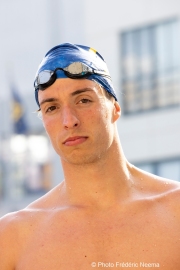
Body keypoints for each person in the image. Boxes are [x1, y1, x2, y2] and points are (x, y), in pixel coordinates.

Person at [0, 43, 180, 270]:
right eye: (52, 108)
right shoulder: (13, 238)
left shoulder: (176, 212)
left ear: (115, 108)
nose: (69, 120)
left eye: (83, 100)